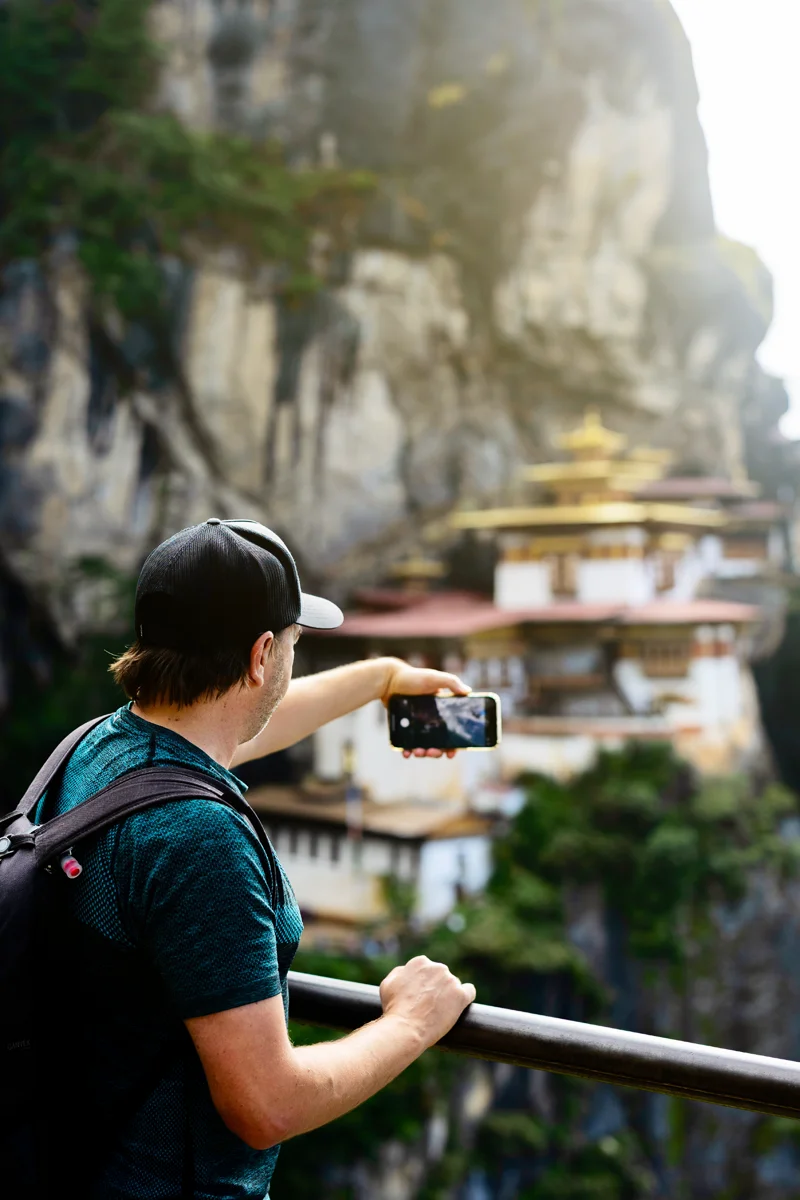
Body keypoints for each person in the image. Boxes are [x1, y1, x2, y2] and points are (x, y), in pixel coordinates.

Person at [36, 517, 476, 1200]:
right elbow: (266, 1105)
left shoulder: (95, 752)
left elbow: (244, 725)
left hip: (72, 1159)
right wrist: (414, 1020)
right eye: (297, 643)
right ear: (261, 654)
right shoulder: (197, 837)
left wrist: (384, 679)